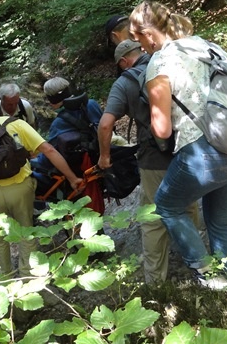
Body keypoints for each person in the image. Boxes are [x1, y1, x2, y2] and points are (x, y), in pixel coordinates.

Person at [129, 0, 227, 287]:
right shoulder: (209, 47)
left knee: (167, 206)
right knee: (221, 220)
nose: (139, 46)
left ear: (149, 34)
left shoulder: (160, 63)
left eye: (138, 39)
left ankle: (210, 279)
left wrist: (149, 119)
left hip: (204, 154)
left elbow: (161, 130)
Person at [97, 40, 198, 283]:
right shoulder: (168, 63)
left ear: (123, 62)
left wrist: (105, 156)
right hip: (188, 147)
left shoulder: (124, 82)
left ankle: (156, 282)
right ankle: (197, 267)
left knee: (152, 217)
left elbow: (105, 124)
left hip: (154, 156)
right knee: (189, 207)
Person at [0, 97, 82, 276]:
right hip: (20, 187)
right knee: (26, 232)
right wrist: (72, 178)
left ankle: (3, 278)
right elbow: (49, 150)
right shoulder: (17, 125)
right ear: (1, 112)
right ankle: (27, 277)